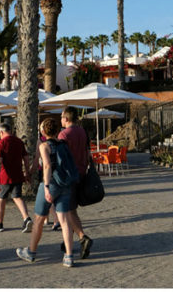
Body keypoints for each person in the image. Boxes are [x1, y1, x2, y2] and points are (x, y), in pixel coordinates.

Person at [16, 118, 77, 267]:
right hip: (66, 184)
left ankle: (31, 251)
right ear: (57, 130)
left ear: (43, 131)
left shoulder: (44, 146)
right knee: (64, 221)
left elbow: (47, 166)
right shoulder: (63, 143)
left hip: (52, 184)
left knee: (39, 219)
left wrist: (47, 187)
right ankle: (68, 256)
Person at [59, 107, 93, 259]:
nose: (60, 120)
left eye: (61, 117)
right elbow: (87, 152)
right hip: (81, 172)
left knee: (68, 210)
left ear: (66, 119)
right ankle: (68, 240)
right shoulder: (82, 132)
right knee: (72, 208)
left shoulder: (64, 134)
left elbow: (61, 156)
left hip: (68, 175)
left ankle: (82, 237)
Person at [0, 121, 32, 233]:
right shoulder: (19, 142)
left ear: (1, 132)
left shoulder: (0, 144)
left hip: (5, 176)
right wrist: (27, 172)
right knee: (17, 197)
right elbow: (26, 158)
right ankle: (26, 218)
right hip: (18, 174)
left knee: (1, 199)